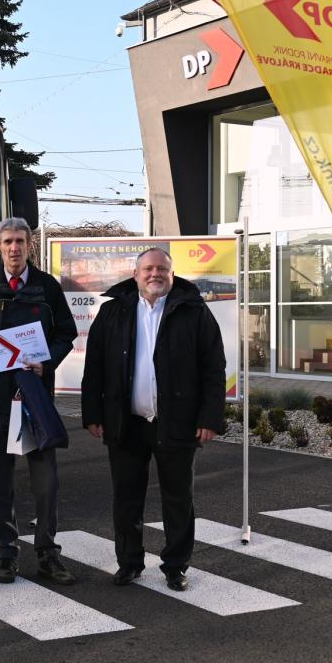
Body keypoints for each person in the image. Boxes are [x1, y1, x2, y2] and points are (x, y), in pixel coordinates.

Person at [81, 248, 226, 592]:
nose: (154, 274)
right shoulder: (113, 312)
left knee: (178, 498)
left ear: (172, 275)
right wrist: (93, 414)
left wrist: (209, 418)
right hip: (125, 422)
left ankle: (176, 566)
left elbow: (213, 369)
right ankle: (129, 562)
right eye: (148, 269)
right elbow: (95, 368)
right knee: (126, 497)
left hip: (176, 421)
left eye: (162, 269)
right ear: (135, 274)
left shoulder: (194, 312)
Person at [0, 217, 78, 585]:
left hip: (34, 397)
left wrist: (47, 362)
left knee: (46, 481)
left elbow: (67, 333)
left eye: (21, 241)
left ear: (30, 245)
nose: (14, 248)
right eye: (8, 241)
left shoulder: (47, 287)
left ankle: (46, 552)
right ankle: (6, 552)